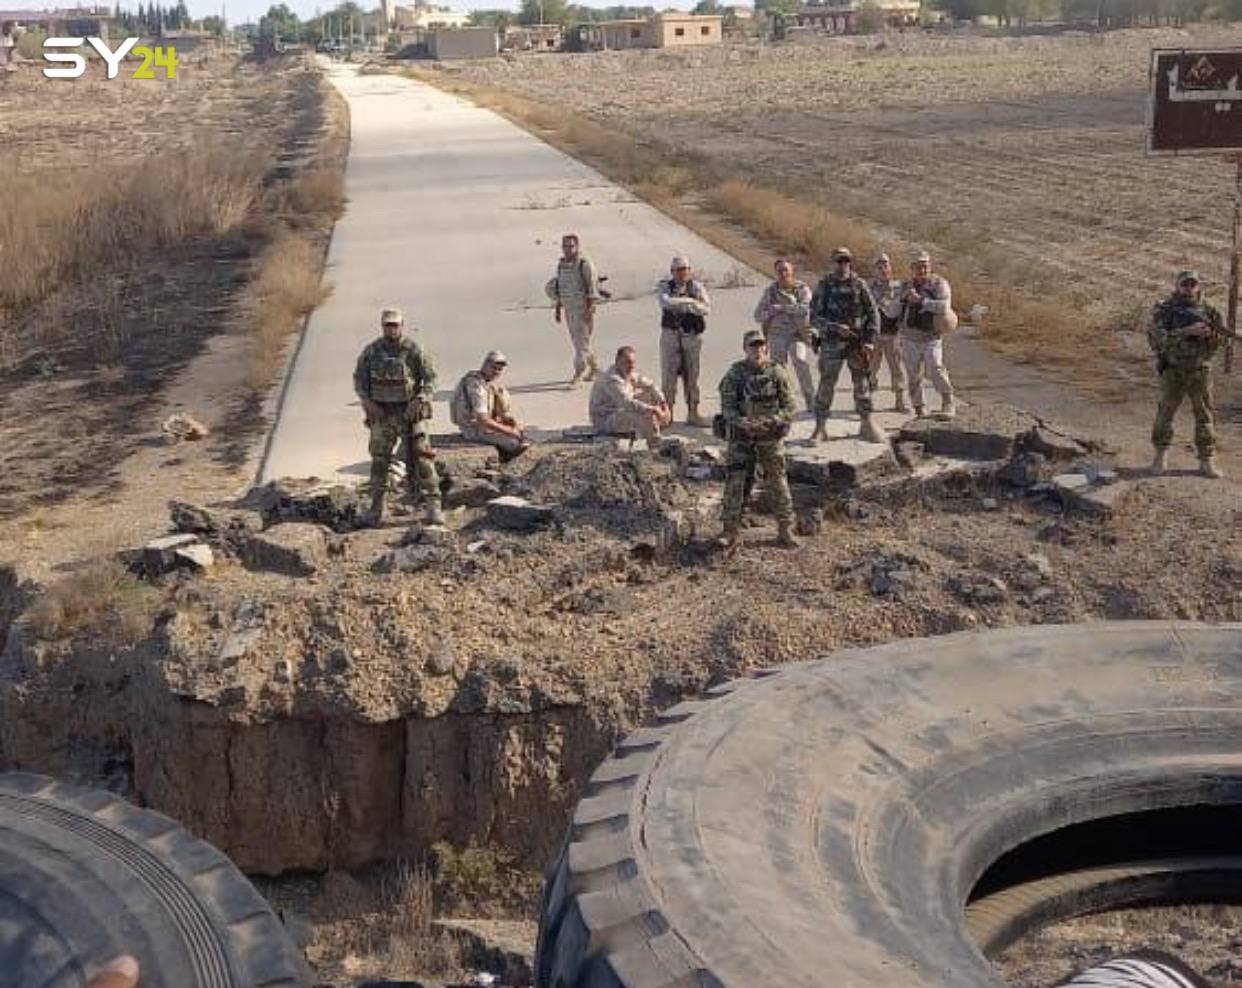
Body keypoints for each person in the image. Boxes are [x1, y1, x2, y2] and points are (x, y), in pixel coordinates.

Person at [353, 307, 443, 526]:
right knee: (379, 461)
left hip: (410, 413)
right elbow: (359, 380)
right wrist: (367, 402)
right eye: (387, 325)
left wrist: (420, 398)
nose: (391, 329)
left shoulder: (414, 350)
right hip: (382, 413)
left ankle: (434, 507)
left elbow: (431, 379)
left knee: (423, 459)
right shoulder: (371, 351)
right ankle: (375, 509)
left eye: (395, 325)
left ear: (402, 325)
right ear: (382, 326)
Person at [717, 330, 798, 549]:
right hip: (742, 437)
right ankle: (729, 530)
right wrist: (743, 423)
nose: (757, 350)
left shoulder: (776, 372)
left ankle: (785, 528)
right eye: (753, 346)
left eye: (761, 346)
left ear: (766, 348)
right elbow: (727, 407)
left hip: (770, 437)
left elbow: (789, 405)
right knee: (735, 482)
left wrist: (773, 420)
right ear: (745, 349)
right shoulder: (735, 373)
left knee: (778, 481)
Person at [1148, 269, 1232, 478]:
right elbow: (1157, 341)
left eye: (1192, 284)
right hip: (1173, 370)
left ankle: (1207, 460)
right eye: (1184, 284)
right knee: (1165, 414)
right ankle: (1160, 456)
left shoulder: (1210, 310)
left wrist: (1211, 337)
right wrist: (1187, 331)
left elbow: (1225, 340)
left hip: (1200, 371)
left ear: (1199, 287)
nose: (1188, 288)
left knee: (1205, 416)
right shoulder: (1165, 310)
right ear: (1177, 286)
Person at [809, 247, 883, 444]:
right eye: (839, 261)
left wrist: (869, 340)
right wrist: (833, 327)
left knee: (862, 385)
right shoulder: (824, 285)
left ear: (850, 262)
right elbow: (813, 317)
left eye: (845, 261)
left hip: (856, 344)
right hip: (831, 343)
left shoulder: (860, 285)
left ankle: (866, 424)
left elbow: (873, 314)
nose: (842, 265)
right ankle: (820, 427)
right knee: (826, 385)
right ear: (833, 262)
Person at [753, 258, 816, 412]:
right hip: (777, 335)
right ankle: (783, 401)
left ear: (791, 271)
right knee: (778, 369)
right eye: (780, 270)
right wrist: (770, 312)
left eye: (785, 270)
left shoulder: (801, 288)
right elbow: (758, 315)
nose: (783, 273)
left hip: (797, 334)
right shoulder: (770, 292)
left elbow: (806, 309)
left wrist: (783, 307)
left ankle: (811, 399)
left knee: (800, 360)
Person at [900, 250, 956, 419]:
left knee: (935, 368)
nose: (922, 270)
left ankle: (947, 401)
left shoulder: (939, 284)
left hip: (931, 337)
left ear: (929, 266)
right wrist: (903, 298)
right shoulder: (906, 285)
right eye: (918, 267)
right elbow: (893, 307)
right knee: (913, 374)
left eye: (925, 266)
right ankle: (919, 408)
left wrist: (921, 301)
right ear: (912, 268)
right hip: (909, 336)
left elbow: (944, 307)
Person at [450, 350, 531, 463]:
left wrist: (512, 423)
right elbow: (482, 419)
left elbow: (500, 413)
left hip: (483, 425)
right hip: (473, 428)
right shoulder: (476, 385)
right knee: (514, 443)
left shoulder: (488, 383)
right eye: (493, 368)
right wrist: (509, 431)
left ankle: (503, 453)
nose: (496, 372)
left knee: (520, 432)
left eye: (499, 369)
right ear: (485, 365)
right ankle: (503, 457)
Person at [659, 255, 712, 427]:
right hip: (670, 336)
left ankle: (693, 413)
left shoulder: (696, 287)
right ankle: (667, 414)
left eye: (685, 269)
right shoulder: (665, 286)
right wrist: (690, 301)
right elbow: (666, 303)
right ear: (672, 272)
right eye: (678, 270)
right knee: (669, 377)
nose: (682, 273)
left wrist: (686, 304)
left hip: (692, 337)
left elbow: (706, 308)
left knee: (692, 377)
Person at [545, 233, 602, 387]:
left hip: (582, 308)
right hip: (569, 308)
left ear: (577, 247)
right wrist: (558, 308)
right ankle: (595, 367)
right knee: (580, 342)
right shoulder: (562, 265)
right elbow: (561, 287)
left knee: (581, 342)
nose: (567, 249)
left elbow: (592, 288)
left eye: (570, 246)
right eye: (565, 246)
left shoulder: (584, 264)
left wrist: (590, 310)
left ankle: (578, 374)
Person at [589, 345, 672, 447]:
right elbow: (626, 403)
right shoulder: (612, 379)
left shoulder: (628, 373)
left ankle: (653, 429)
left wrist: (664, 405)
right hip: (605, 418)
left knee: (650, 396)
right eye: (627, 362)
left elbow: (651, 385)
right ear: (618, 362)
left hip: (619, 410)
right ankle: (654, 442)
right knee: (644, 414)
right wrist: (654, 410)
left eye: (633, 362)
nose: (631, 366)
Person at [868, 252, 909, 414]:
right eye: (879, 267)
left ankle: (899, 401)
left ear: (890, 267)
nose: (883, 269)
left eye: (885, 266)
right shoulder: (868, 288)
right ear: (875, 270)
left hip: (893, 334)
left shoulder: (900, 286)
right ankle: (868, 400)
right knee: (871, 369)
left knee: (897, 369)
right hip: (875, 335)